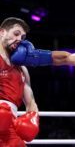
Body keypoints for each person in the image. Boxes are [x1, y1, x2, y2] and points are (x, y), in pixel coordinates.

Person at [0, 17, 39, 147]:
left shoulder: (22, 69)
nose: (19, 40)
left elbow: (31, 102)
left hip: (9, 129)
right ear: (2, 32)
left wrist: (33, 119)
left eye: (22, 37)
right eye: (16, 34)